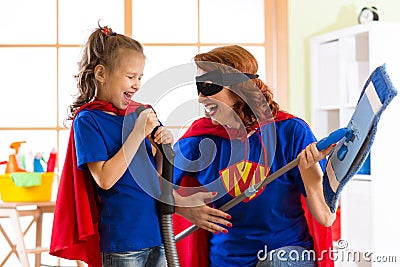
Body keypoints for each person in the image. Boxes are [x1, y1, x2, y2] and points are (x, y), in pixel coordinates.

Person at [49, 23, 226, 267]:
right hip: (121, 242)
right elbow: (105, 178)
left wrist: (163, 146)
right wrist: (136, 134)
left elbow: (159, 175)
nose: (137, 84)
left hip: (157, 235)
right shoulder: (89, 120)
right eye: (130, 77)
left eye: (140, 77)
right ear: (101, 74)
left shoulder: (142, 113)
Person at [172, 45, 336, 267]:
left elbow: (325, 217)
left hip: (285, 253)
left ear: (238, 88)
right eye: (198, 88)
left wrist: (311, 169)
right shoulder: (199, 140)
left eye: (209, 87)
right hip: (228, 259)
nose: (201, 98)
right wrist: (183, 207)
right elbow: (150, 187)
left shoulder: (290, 131)